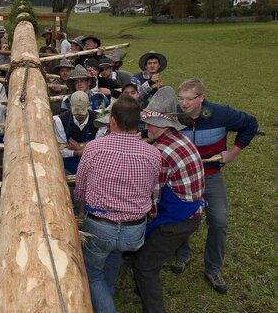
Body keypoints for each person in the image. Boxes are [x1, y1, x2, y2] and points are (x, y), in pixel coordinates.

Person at [74, 94, 161, 313]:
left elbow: (80, 190)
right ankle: (105, 299)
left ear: (112, 121)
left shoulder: (94, 148)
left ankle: (104, 307)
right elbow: (152, 190)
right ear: (137, 122)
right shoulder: (153, 153)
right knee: (114, 257)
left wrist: (82, 210)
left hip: (99, 226)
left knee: (92, 274)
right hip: (134, 231)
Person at [173, 78, 258, 294]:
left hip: (211, 176)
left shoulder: (221, 114)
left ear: (201, 98)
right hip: (184, 177)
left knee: (219, 222)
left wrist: (233, 153)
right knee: (181, 218)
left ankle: (213, 268)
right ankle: (182, 254)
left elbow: (250, 124)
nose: (183, 104)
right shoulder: (173, 116)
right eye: (180, 98)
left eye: (188, 99)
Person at [133, 86, 206, 313]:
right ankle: (142, 289)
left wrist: (140, 224)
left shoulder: (160, 153)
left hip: (179, 220)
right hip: (191, 210)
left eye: (153, 123)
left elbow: (153, 203)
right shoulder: (179, 139)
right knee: (142, 255)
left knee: (145, 266)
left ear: (167, 125)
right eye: (147, 121)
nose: (147, 127)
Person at [53, 91, 98, 174]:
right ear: (70, 106)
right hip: (69, 165)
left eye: (82, 111)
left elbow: (100, 147)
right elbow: (60, 149)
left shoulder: (98, 119)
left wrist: (80, 148)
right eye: (76, 113)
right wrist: (76, 152)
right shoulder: (61, 121)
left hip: (92, 164)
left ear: (88, 106)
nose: (79, 115)